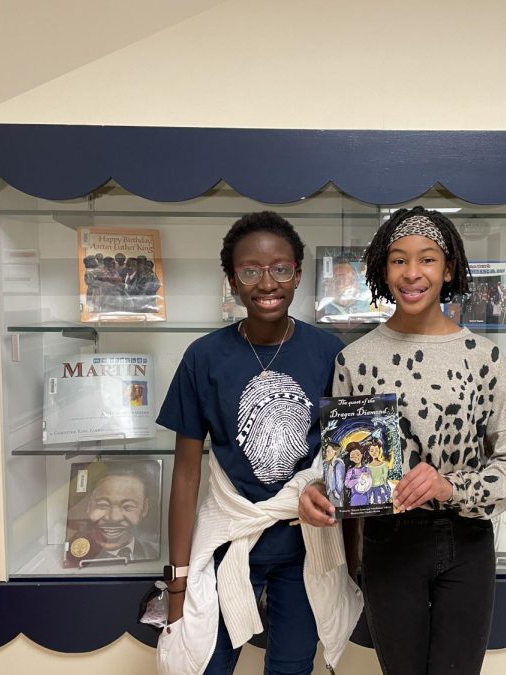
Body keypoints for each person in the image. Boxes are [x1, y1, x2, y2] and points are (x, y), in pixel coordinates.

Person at [299, 206, 506, 675]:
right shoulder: (356, 359)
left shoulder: (485, 359)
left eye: (427, 259)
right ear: (382, 271)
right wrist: (319, 492)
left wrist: (450, 487)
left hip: (467, 542)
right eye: (398, 260)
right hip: (389, 542)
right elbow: (347, 470)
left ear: (449, 269)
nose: (412, 273)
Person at [156, 211, 355, 675]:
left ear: (298, 275)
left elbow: (345, 462)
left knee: (291, 667)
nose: (267, 283)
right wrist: (178, 587)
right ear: (232, 280)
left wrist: (354, 562)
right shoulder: (203, 357)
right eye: (250, 270)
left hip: (306, 548)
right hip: (229, 541)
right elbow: (186, 475)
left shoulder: (329, 353)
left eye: (280, 268)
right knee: (205, 661)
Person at [75, 464, 160, 562]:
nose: (114, 517)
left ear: (144, 508)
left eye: (127, 506)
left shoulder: (154, 552)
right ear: (89, 505)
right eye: (103, 505)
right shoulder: (70, 555)